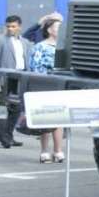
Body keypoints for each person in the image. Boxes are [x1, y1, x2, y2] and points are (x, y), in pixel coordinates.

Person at [0, 15, 28, 149]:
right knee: (3, 109)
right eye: (8, 26)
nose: (10, 28)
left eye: (13, 26)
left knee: (16, 110)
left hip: (21, 78)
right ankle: (2, 137)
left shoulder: (24, 42)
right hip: (5, 80)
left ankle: (9, 135)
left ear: (19, 27)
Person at [28, 19, 64, 162]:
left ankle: (58, 151)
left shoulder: (64, 47)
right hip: (44, 87)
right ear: (49, 30)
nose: (60, 30)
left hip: (59, 87)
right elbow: (34, 68)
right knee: (45, 120)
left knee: (60, 119)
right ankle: (44, 151)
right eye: (57, 27)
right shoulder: (40, 47)